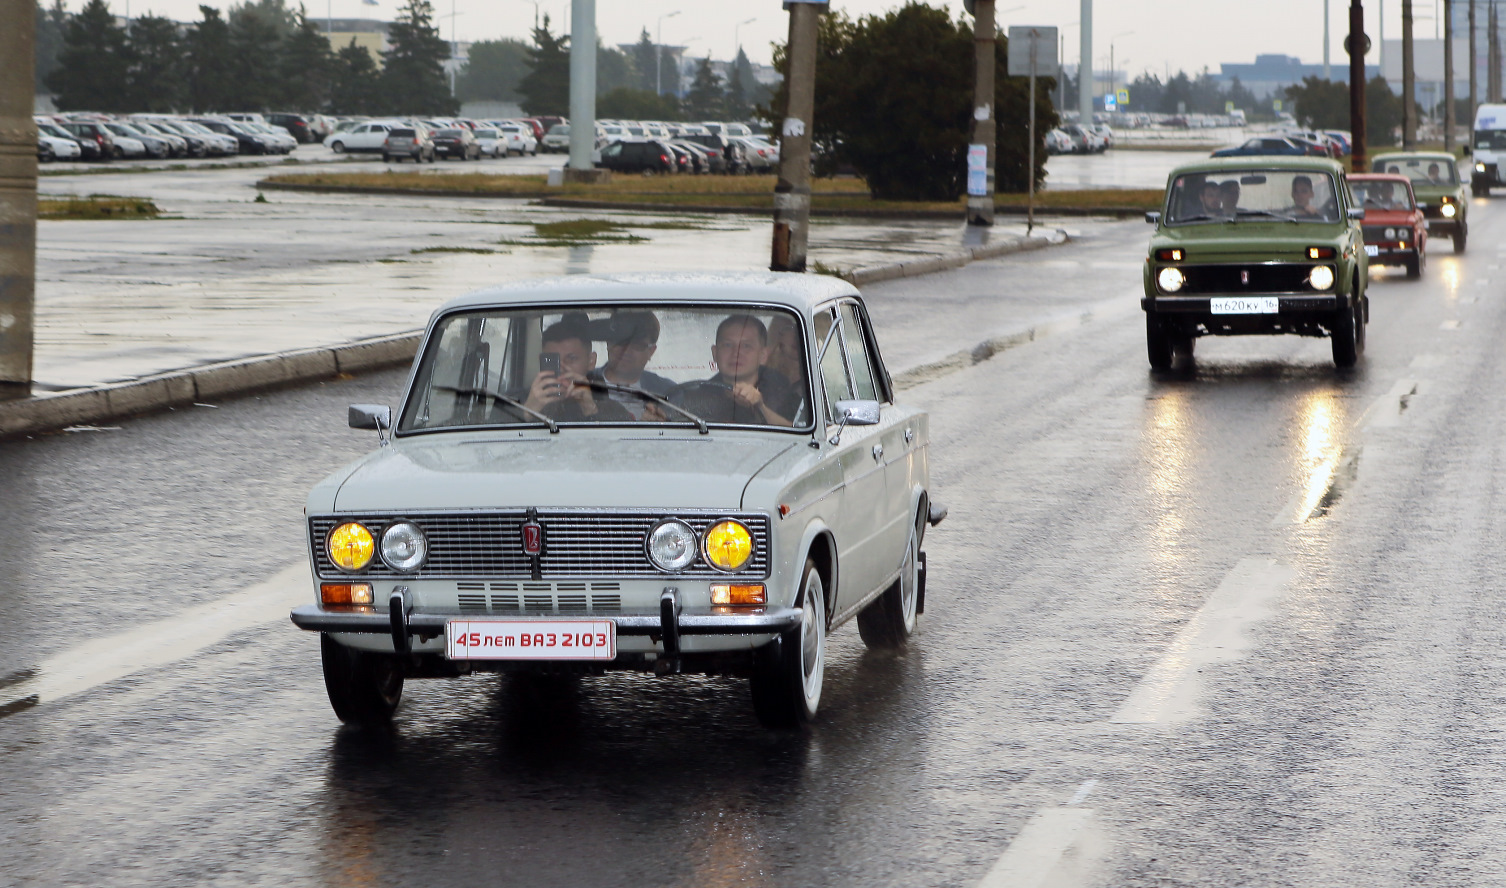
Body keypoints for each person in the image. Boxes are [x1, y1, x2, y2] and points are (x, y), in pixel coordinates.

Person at [522, 315, 633, 422]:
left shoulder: (612, 410)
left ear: (591, 361)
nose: (562, 367)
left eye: (571, 359)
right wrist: (527, 411)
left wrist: (590, 409)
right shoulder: (519, 400)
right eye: (552, 360)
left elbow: (619, 439)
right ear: (541, 361)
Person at [704, 314, 800, 426]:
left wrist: (760, 407)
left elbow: (798, 432)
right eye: (728, 345)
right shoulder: (699, 394)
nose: (736, 353)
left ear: (763, 355)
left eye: (746, 346)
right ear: (715, 353)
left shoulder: (784, 393)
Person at [587, 311, 675, 419]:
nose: (626, 350)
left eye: (637, 345)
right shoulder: (582, 385)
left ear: (651, 351)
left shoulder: (670, 393)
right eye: (620, 341)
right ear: (608, 343)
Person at [764, 313, 805, 383]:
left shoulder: (815, 368)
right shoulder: (763, 371)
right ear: (778, 336)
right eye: (788, 329)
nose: (796, 337)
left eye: (799, 330)